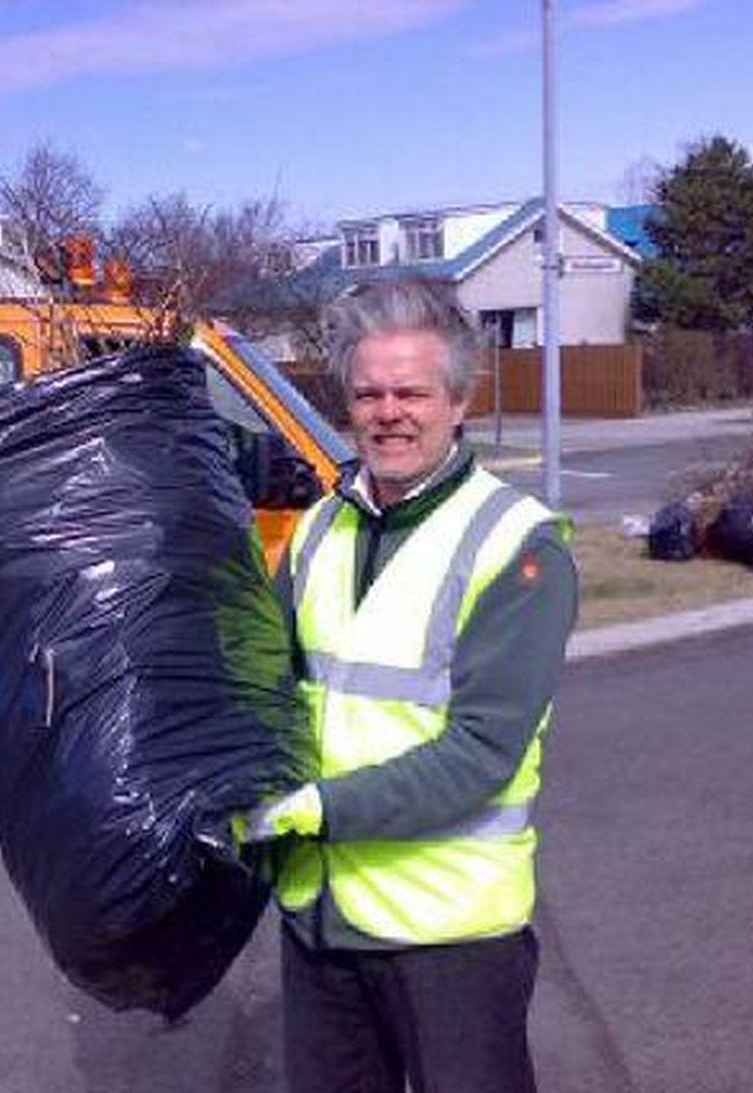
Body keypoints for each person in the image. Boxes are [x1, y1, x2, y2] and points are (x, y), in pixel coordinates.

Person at [243, 276, 578, 1093]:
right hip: (323, 924)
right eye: (367, 393)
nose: (388, 412)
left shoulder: (517, 546)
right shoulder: (322, 526)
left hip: (449, 938)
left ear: (458, 401)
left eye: (410, 392)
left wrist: (315, 807)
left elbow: (481, 754)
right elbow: (272, 685)